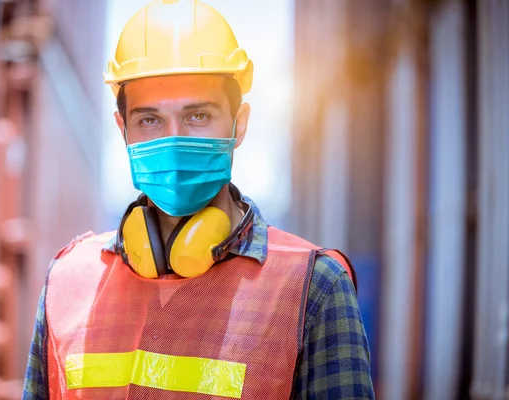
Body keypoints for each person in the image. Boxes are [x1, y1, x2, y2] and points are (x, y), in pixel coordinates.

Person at [22, 0, 375, 398]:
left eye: (198, 116)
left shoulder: (313, 289)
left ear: (239, 124)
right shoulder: (68, 282)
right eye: (150, 119)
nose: (173, 139)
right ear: (123, 129)